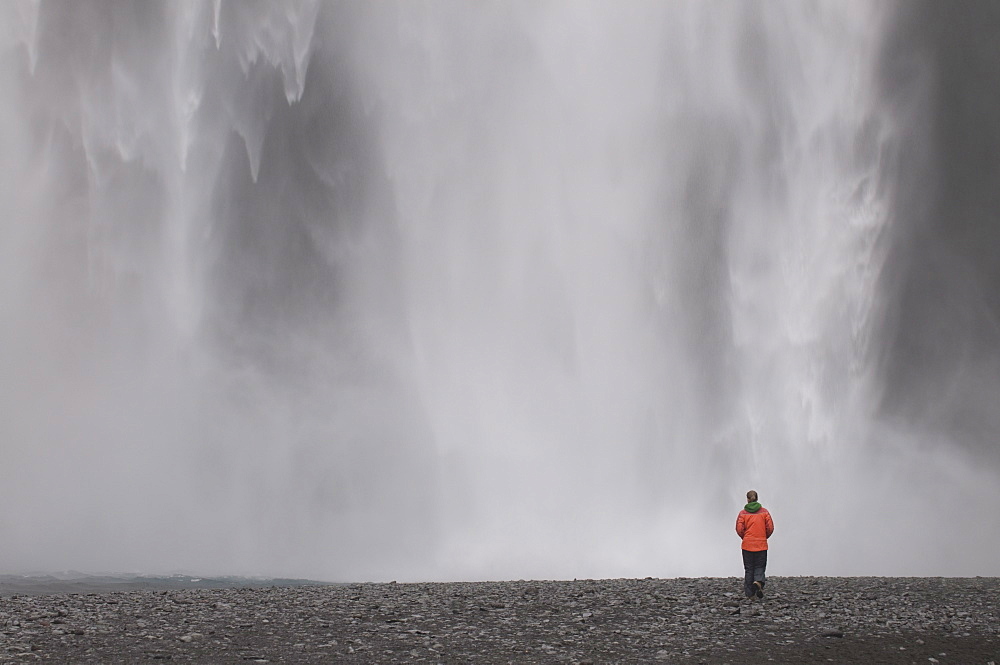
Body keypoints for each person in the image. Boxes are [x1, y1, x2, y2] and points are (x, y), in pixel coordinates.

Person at [735, 489, 774, 601]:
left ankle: (750, 594)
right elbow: (770, 527)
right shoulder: (764, 512)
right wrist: (764, 536)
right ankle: (758, 582)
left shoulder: (743, 513)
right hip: (761, 544)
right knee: (760, 566)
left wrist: (745, 537)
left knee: (749, 568)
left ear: (747, 499)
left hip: (747, 545)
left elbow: (739, 528)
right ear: (757, 498)